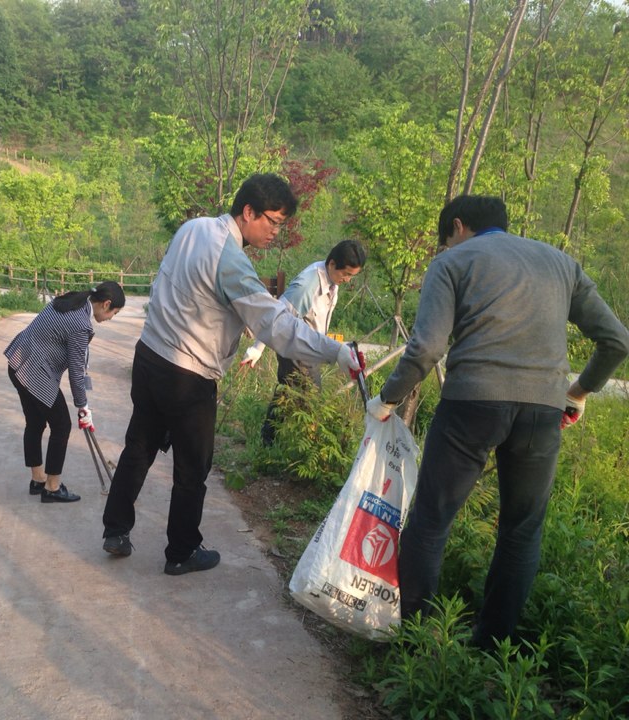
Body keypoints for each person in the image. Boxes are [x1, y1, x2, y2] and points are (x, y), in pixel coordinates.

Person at [366, 195, 629, 649]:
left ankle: (416, 642)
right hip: (543, 411)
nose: (447, 245)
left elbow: (427, 348)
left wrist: (387, 399)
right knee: (521, 531)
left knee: (431, 519)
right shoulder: (561, 264)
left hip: (471, 402)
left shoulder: (452, 262)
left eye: (447, 237)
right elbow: (617, 341)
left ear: (459, 226)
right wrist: (578, 393)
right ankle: (491, 646)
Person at [101, 173, 360, 575]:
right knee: (193, 469)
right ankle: (182, 552)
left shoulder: (193, 228)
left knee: (139, 446)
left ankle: (115, 530)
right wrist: (335, 350)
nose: (275, 231)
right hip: (188, 376)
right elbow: (275, 326)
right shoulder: (232, 262)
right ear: (248, 211)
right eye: (272, 221)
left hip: (149, 357)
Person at [5, 282, 126, 503]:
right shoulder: (81, 323)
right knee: (62, 425)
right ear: (106, 304)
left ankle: (38, 479)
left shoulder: (73, 301)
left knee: (35, 423)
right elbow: (76, 374)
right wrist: (83, 407)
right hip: (34, 371)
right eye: (114, 313)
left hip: (18, 361)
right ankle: (52, 488)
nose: (111, 318)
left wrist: (82, 403)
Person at [241, 239, 366, 445]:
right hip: (298, 349)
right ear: (333, 264)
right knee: (308, 398)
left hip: (311, 349)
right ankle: (289, 446)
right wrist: (257, 348)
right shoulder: (309, 283)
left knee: (289, 392)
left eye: (352, 276)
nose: (348, 280)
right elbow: (278, 315)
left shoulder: (332, 281)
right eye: (346, 274)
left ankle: (271, 442)